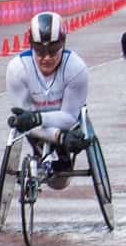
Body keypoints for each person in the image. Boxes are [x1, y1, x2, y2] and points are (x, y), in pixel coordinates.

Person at [6, 11, 90, 189]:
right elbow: (24, 122)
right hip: (36, 130)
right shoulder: (17, 69)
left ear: (63, 44)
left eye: (53, 51)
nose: (47, 58)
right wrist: (46, 129)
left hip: (66, 125)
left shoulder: (76, 68)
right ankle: (41, 156)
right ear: (31, 46)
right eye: (40, 51)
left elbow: (69, 116)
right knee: (25, 123)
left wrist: (41, 120)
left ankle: (62, 158)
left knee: (60, 182)